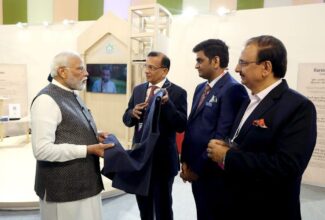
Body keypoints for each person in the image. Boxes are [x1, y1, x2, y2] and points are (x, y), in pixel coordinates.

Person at [207, 35, 317, 220]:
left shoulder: (298, 107)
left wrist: (228, 156)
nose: (236, 69)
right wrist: (227, 146)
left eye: (243, 63)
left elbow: (287, 167)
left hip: (268, 210)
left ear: (266, 67)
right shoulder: (249, 101)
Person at [31, 51, 114, 220]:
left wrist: (93, 135)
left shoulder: (71, 93)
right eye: (80, 69)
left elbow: (67, 130)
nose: (86, 73)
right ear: (62, 72)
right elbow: (42, 150)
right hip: (62, 192)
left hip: (85, 185)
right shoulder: (46, 100)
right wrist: (88, 149)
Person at [180, 39, 248, 220]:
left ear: (216, 61)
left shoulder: (233, 90)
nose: (196, 65)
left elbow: (223, 137)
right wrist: (185, 161)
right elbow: (192, 127)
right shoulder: (200, 88)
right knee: (202, 213)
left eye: (200, 60)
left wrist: (198, 168)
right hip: (195, 167)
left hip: (214, 172)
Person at [122, 51, 187, 220]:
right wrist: (132, 113)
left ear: (164, 71)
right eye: (146, 66)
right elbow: (126, 119)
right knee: (144, 206)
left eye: (152, 67)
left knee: (163, 207)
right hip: (139, 159)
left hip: (162, 161)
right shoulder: (138, 90)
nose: (147, 70)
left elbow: (181, 125)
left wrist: (167, 104)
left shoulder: (178, 93)